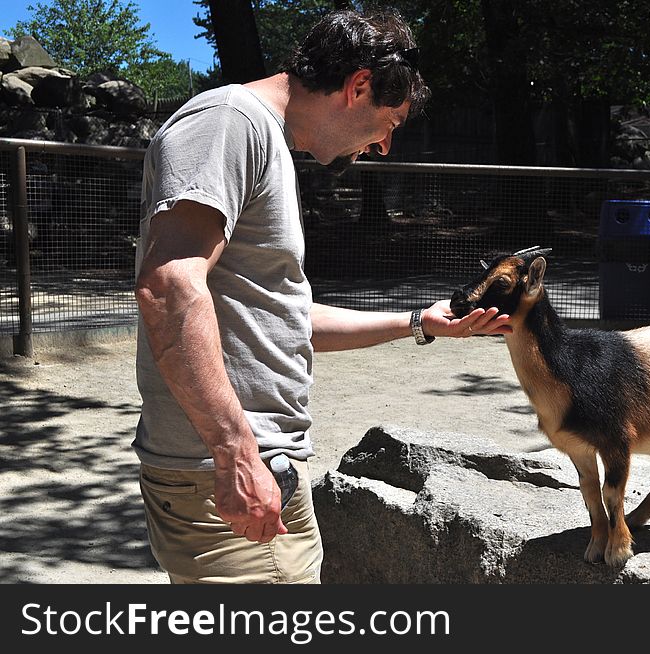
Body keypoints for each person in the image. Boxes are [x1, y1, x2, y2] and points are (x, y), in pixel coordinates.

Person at [133, 8, 511, 584]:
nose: (386, 144)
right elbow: (169, 286)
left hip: (255, 465)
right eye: (392, 120)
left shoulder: (262, 140)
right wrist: (236, 453)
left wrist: (419, 323)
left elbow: (284, 320)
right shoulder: (230, 123)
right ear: (358, 86)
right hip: (232, 468)